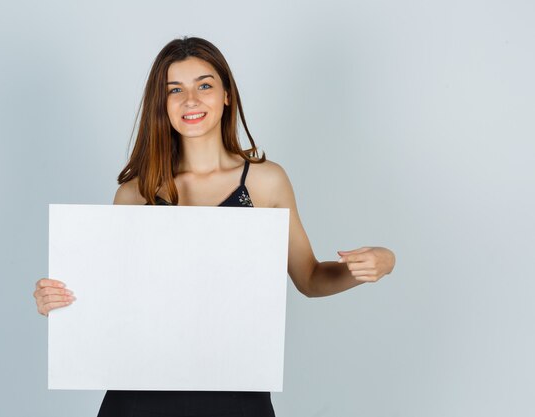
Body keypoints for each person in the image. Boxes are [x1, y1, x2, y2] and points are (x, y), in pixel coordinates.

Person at [33, 36, 396, 417]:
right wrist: (58, 301)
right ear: (162, 104)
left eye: (204, 85)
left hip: (236, 394)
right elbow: (114, 301)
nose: (191, 100)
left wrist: (377, 263)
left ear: (226, 95)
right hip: (139, 396)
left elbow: (310, 278)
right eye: (175, 90)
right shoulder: (134, 193)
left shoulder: (264, 182)